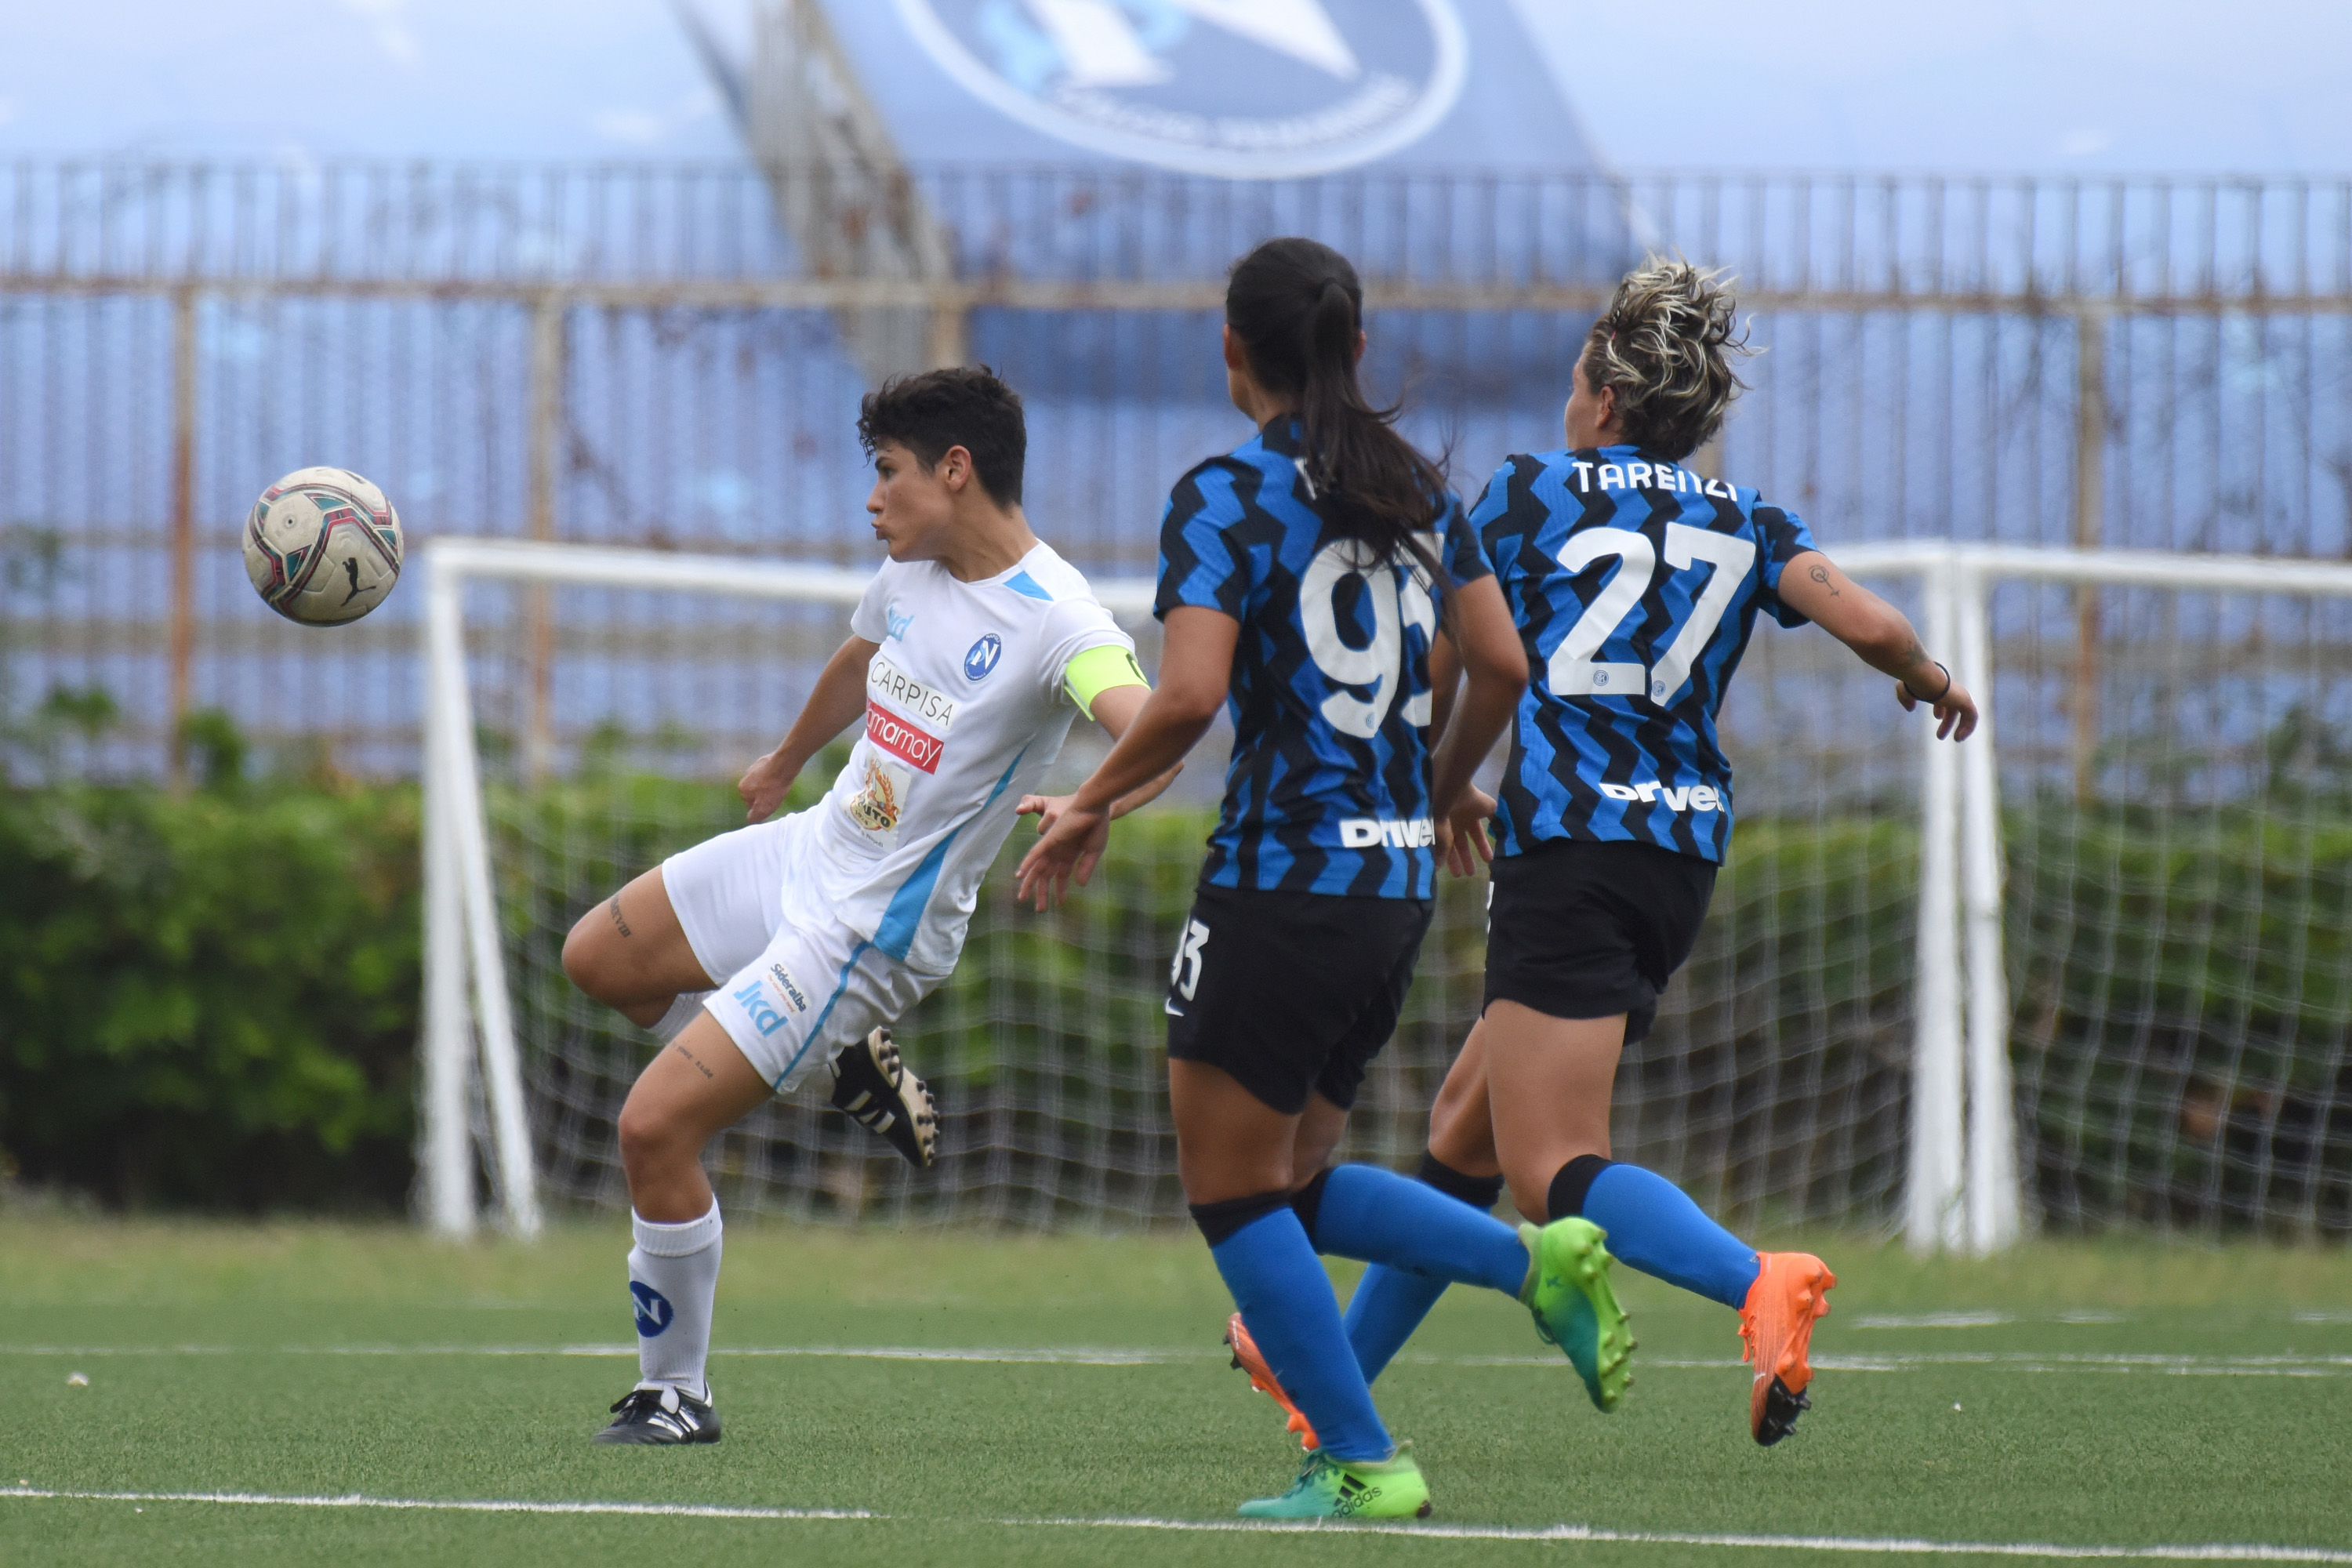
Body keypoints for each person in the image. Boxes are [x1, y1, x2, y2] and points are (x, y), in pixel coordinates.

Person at [1326, 257, 1981, 1448]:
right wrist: (1929, 680)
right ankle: (1327, 1381)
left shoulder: (1528, 493)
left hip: (1571, 842)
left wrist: (1444, 778)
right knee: (1469, 1123)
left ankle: (1756, 1280)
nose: (1568, 400)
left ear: (1608, 400)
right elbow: (1877, 625)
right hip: (1676, 855)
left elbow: (1450, 657)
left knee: (1553, 1172)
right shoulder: (1747, 519)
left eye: (1577, 380)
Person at [1018, 238, 1610, 1523]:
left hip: (1280, 882)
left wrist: (1089, 800)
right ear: (1356, 349)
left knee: (1232, 1192)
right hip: (1392, 890)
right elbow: (1502, 663)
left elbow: (1188, 698)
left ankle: (1364, 1460)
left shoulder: (1223, 497)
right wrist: (1439, 785)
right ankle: (1535, 1268)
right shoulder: (1415, 491)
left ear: (1233, 349)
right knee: (1288, 1182)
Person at [560, 365, 1169, 1444]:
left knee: (653, 1128)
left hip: (867, 933)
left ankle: (676, 1395)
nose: (873, 498)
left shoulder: (1057, 620)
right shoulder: (914, 569)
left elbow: (1156, 727)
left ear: (955, 469)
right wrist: (787, 757)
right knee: (596, 959)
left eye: (888, 473)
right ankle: (834, 1060)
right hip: (809, 852)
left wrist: (1093, 804)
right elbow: (862, 653)